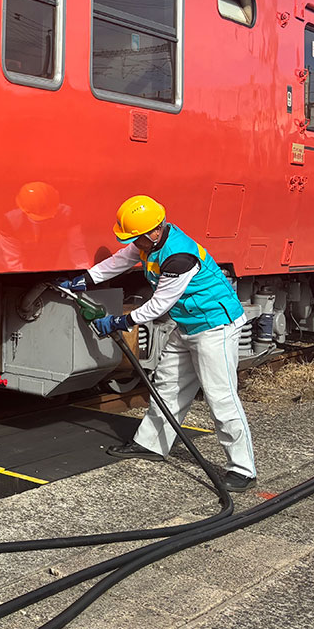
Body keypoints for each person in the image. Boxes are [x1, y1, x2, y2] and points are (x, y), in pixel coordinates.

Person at [60, 195, 258, 493]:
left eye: (136, 238)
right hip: (190, 324)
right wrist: (84, 280)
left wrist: (120, 321)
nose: (134, 244)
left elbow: (159, 305)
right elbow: (120, 260)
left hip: (215, 327)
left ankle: (243, 469)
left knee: (221, 398)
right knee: (167, 384)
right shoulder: (150, 244)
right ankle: (151, 444)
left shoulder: (179, 257)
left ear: (154, 232)